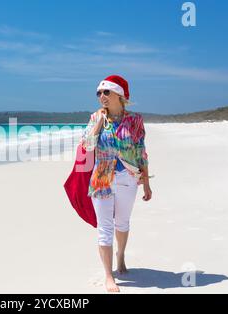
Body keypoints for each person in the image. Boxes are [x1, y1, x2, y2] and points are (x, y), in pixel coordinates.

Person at [80, 75, 153, 293]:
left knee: (122, 222)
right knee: (105, 228)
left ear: (119, 95)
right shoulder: (95, 117)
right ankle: (108, 275)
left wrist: (146, 183)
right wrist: (100, 123)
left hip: (128, 178)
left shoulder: (135, 120)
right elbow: (87, 146)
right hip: (101, 177)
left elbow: (141, 152)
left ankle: (120, 257)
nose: (101, 96)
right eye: (98, 93)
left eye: (106, 92)